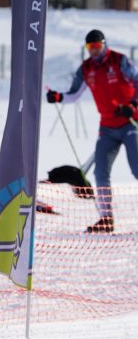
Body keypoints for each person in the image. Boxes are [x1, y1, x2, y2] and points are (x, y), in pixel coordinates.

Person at [46, 29, 138, 233]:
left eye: (97, 46)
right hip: (108, 127)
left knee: (136, 169)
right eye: (90, 47)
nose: (94, 51)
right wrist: (58, 97)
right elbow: (74, 94)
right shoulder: (86, 69)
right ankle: (106, 219)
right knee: (100, 173)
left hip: (131, 122)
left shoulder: (119, 61)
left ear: (104, 45)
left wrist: (133, 105)